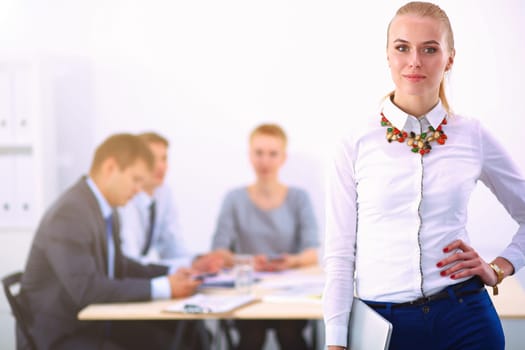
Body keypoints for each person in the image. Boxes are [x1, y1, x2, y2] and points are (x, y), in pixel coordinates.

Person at [323, 2, 525, 350]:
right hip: (383, 326)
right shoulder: (354, 142)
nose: (414, 60)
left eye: (430, 49)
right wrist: (336, 341)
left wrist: (500, 267)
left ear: (449, 58)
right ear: (388, 54)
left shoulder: (472, 135)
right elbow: (340, 255)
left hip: (465, 319)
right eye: (402, 47)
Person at [19, 133, 203, 350]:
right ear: (110, 168)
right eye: (135, 180)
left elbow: (120, 266)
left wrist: (170, 274)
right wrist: (163, 288)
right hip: (63, 335)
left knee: (180, 332)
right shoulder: (70, 213)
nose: (138, 190)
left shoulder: (105, 210)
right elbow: (86, 289)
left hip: (93, 325)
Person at [211, 123, 319, 350]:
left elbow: (312, 253)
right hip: (248, 290)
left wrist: (291, 261)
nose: (265, 161)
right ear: (250, 155)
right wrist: (249, 262)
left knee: (290, 334)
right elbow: (219, 252)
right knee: (252, 335)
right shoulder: (234, 199)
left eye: (272, 154)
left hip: (291, 292)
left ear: (283, 158)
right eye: (259, 153)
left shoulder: (299, 198)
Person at [119, 132, 222, 273]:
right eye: (152, 159)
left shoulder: (164, 193)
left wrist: (197, 260)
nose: (161, 166)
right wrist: (186, 266)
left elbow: (172, 247)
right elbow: (132, 262)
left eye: (164, 159)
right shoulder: (125, 199)